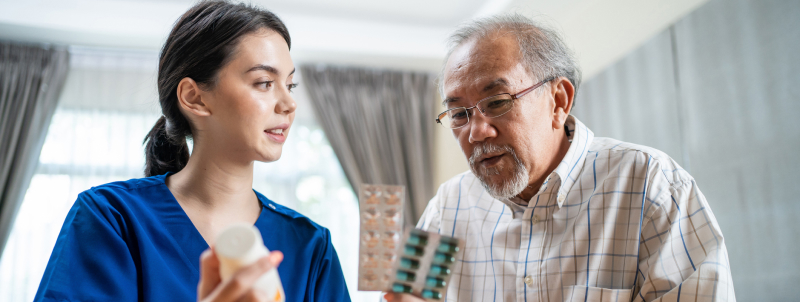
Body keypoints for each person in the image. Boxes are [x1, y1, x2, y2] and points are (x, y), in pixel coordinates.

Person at [386, 15, 734, 302]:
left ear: (559, 100)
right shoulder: (448, 206)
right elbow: (410, 295)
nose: (477, 132)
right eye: (459, 114)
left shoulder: (651, 187)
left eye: (497, 102)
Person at [34, 1, 350, 301]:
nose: (289, 104)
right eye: (264, 82)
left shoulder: (311, 247)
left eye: (290, 85)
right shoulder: (111, 218)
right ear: (194, 98)